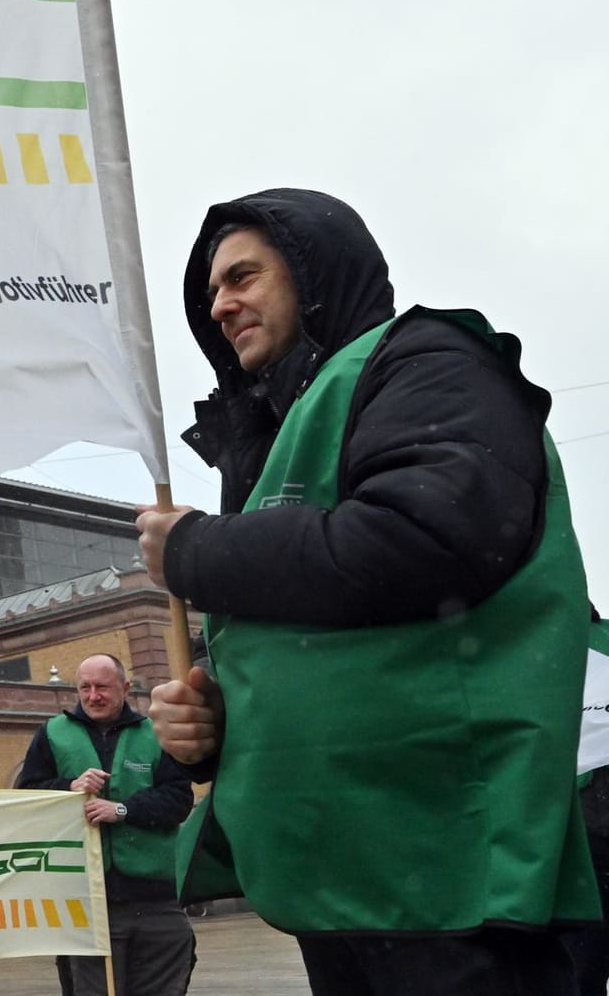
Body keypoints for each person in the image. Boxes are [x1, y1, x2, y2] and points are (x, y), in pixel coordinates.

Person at [137, 188, 596, 994]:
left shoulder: (424, 359)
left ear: (315, 273)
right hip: (345, 880)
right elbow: (328, 645)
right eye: (211, 290)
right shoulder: (287, 431)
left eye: (242, 276)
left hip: (448, 874)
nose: (219, 304)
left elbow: (423, 539)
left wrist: (197, 549)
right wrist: (212, 729)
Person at [18, 653, 195, 996]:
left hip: (157, 900)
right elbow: (26, 797)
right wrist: (68, 788)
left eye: (102, 687)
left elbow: (179, 800)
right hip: (87, 902)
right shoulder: (52, 734)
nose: (93, 696)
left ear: (125, 688)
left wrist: (123, 810)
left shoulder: (155, 733)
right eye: (85, 687)